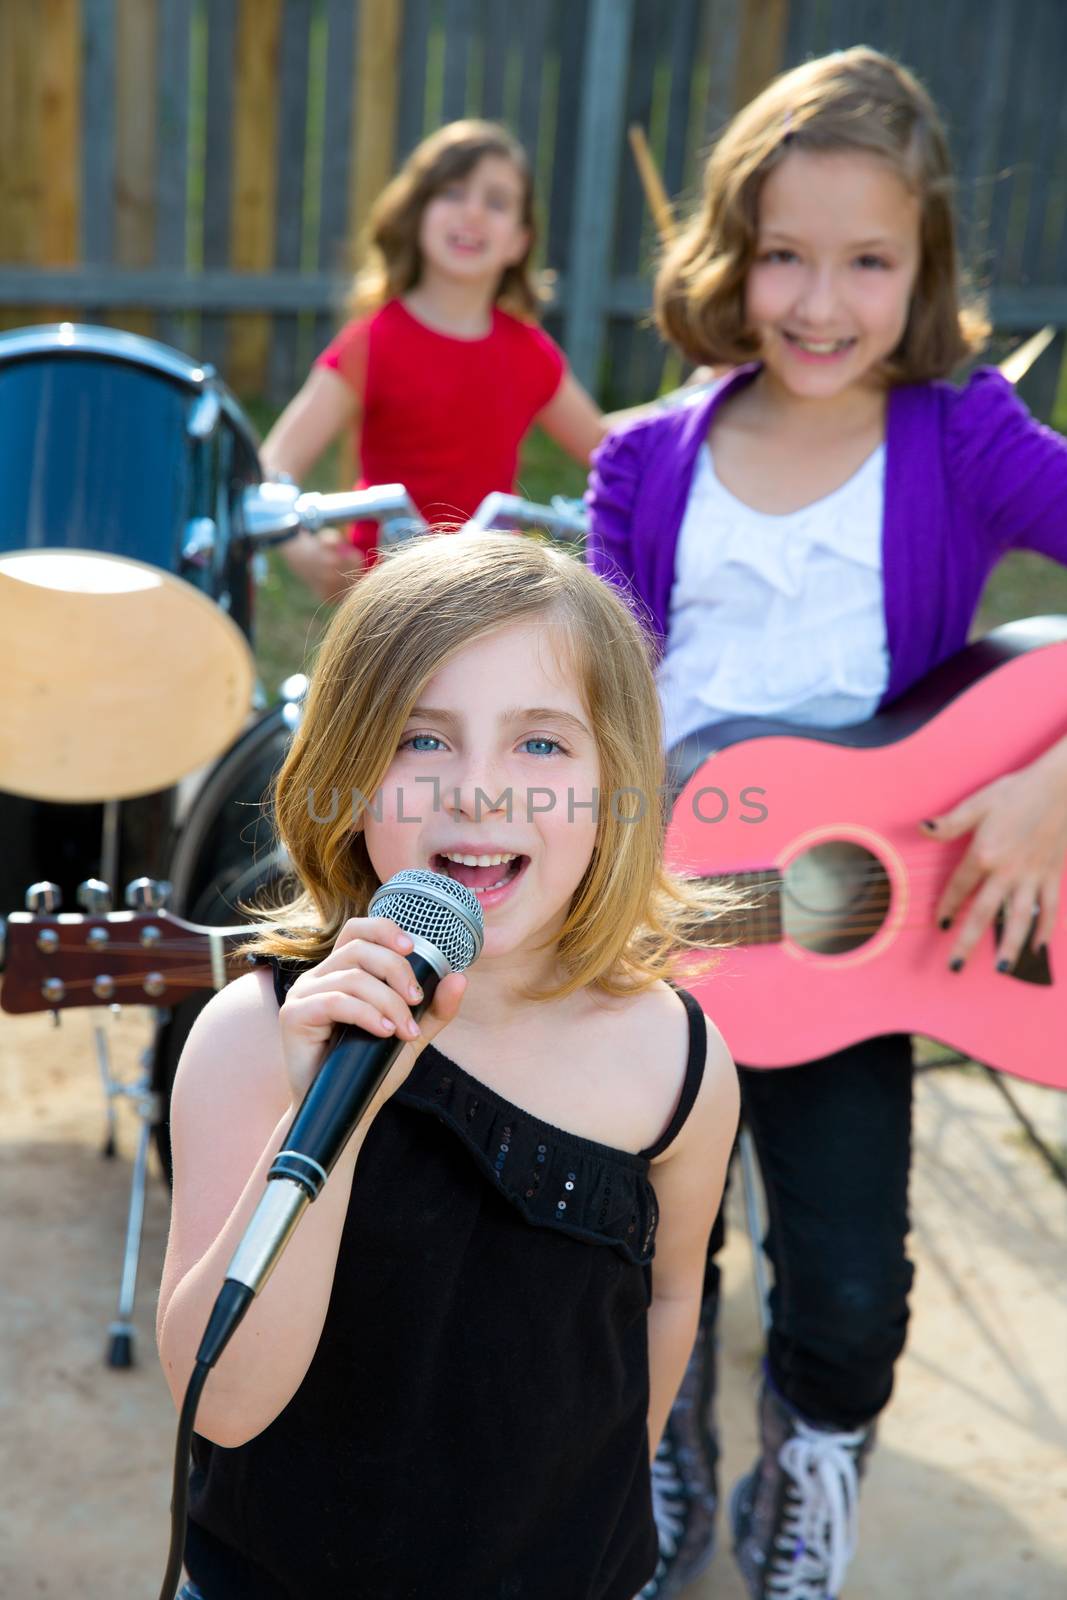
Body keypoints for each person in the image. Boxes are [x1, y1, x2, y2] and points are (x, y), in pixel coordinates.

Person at [585, 45, 1067, 1600]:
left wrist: (1049, 786)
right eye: (781, 253)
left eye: (866, 260)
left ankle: (812, 1462)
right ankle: (658, 1444)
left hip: (857, 940)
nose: (816, 300)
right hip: (659, 930)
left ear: (921, 269)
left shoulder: (962, 436)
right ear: (725, 252)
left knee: (848, 1286)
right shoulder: (645, 461)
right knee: (634, 1243)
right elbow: (591, 679)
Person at [156, 530, 740, 1599]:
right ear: (342, 769)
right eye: (420, 742)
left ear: (615, 782)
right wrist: (315, 1112)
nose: (477, 791)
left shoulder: (678, 1058)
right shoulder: (253, 1036)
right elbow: (224, 1399)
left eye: (541, 745)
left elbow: (663, 1305)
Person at [260, 119, 605, 600]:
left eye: (497, 202)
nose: (473, 213)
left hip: (492, 593)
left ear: (519, 241)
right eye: (453, 192)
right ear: (418, 212)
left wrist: (695, 400)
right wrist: (296, 544)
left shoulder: (530, 352)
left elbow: (606, 446)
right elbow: (274, 463)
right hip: (390, 603)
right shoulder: (372, 343)